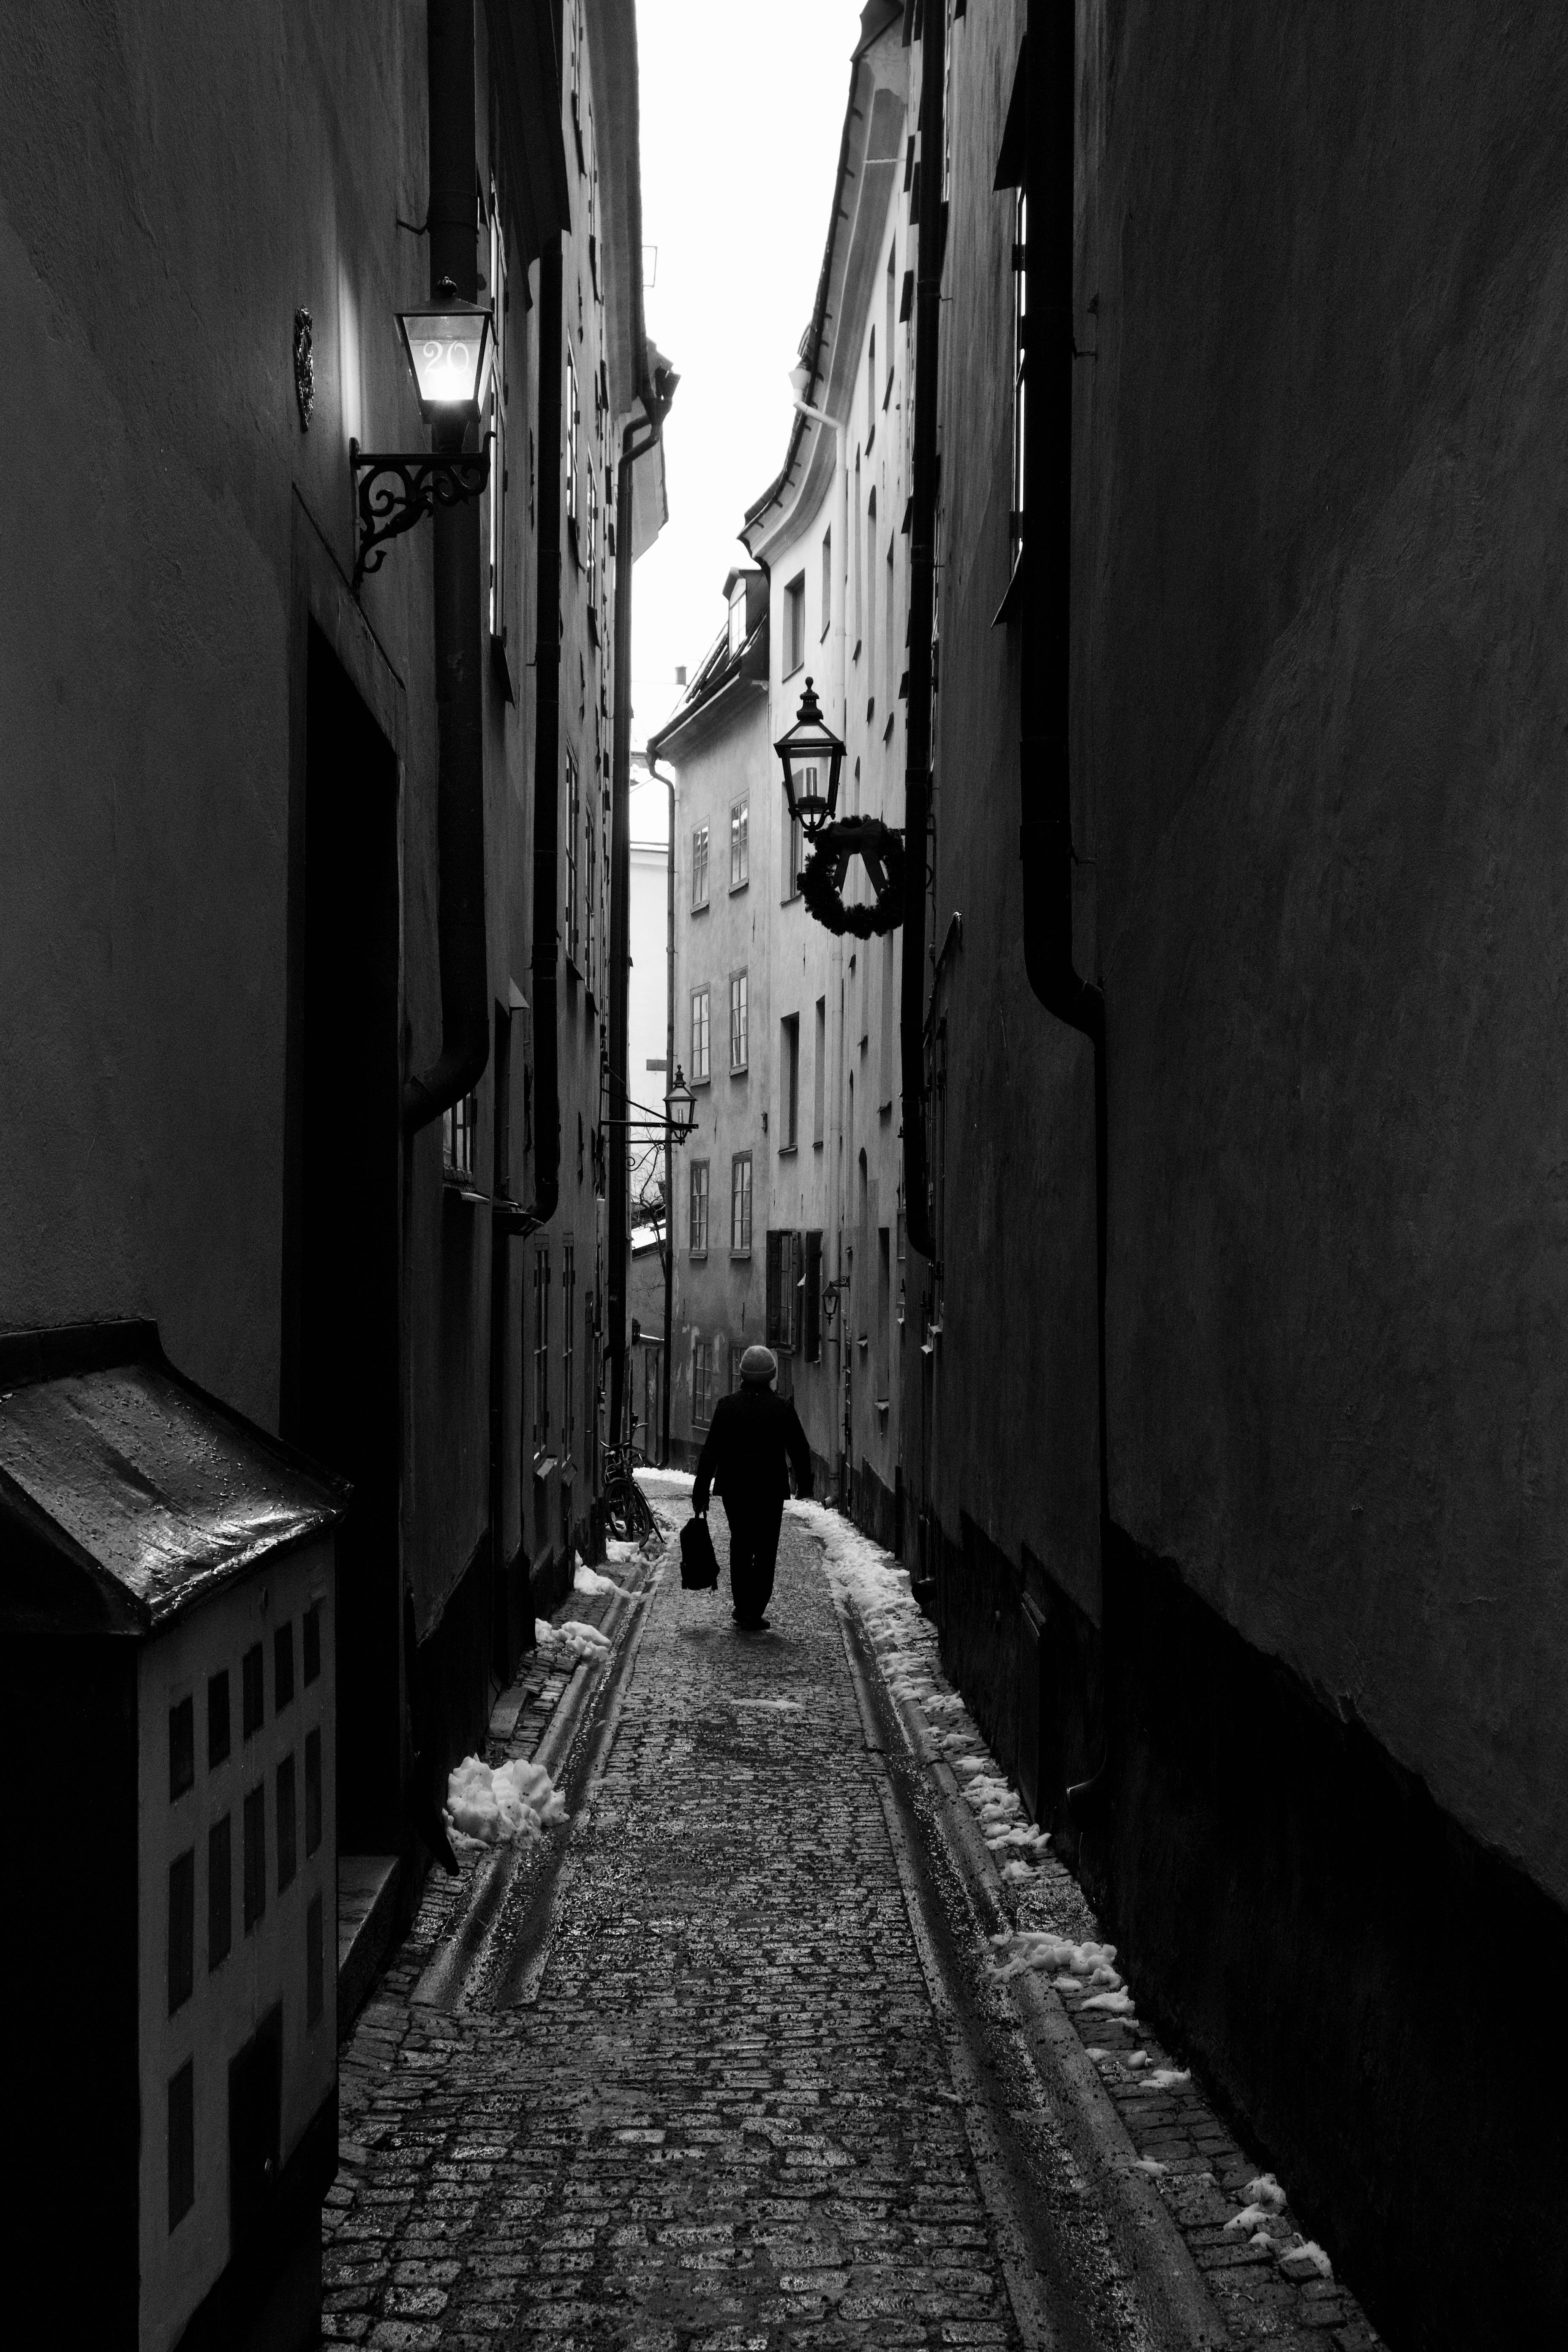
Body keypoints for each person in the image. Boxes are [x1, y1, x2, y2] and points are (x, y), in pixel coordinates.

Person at [691, 1344, 813, 1629]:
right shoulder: (782, 1408)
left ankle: (743, 1605)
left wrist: (701, 1491)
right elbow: (799, 1448)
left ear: (742, 1374)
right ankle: (755, 1608)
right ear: (771, 1375)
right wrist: (804, 1484)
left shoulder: (727, 1406)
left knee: (741, 1543)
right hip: (770, 1490)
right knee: (767, 1547)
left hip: (735, 1489)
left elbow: (711, 1452)